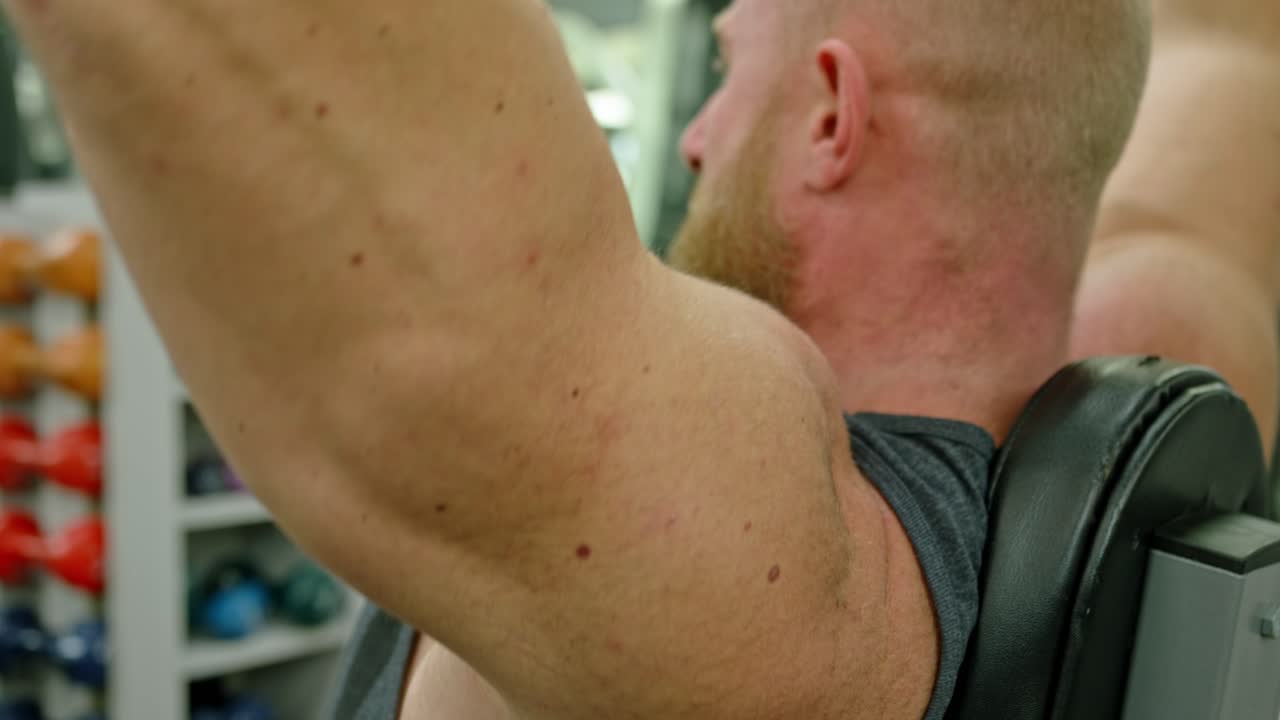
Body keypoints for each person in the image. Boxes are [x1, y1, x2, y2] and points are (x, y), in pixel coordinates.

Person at [3, 0, 1276, 718]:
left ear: (831, 115)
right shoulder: (1181, 337)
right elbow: (1238, 54)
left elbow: (424, 355)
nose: (694, 138)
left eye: (725, 73)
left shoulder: (785, 597)